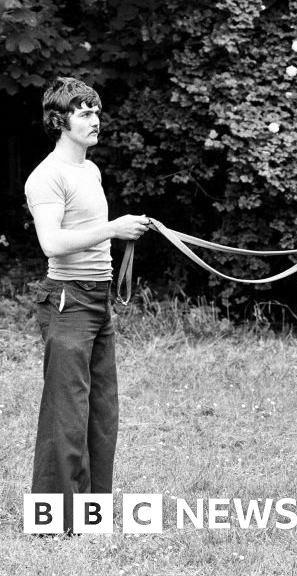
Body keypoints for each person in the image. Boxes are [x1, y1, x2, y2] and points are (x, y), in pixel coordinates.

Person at [24, 77, 150, 535]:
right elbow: (51, 242)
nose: (95, 119)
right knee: (67, 414)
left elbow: (97, 233)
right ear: (60, 121)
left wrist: (121, 229)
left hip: (98, 301)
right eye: (83, 112)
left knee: (102, 411)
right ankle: (53, 522)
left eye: (96, 110)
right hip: (68, 301)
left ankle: (89, 516)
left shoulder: (90, 171)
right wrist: (112, 229)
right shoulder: (47, 176)